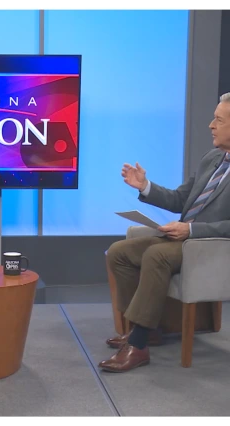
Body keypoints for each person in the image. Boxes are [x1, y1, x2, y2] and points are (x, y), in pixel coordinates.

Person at [100, 92, 230, 373]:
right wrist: (145, 186)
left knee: (157, 255)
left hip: (210, 245)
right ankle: (146, 327)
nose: (211, 125)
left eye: (218, 120)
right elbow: (181, 199)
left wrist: (192, 229)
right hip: (182, 239)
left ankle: (138, 344)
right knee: (120, 252)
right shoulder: (213, 159)